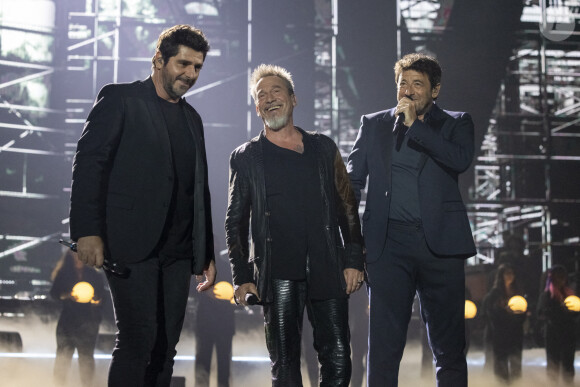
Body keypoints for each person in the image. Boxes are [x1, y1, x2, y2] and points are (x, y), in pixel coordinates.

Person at [69, 24, 217, 387]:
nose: (190, 74)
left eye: (197, 67)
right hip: (131, 245)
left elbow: (198, 191)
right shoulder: (120, 99)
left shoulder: (192, 118)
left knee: (166, 347)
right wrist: (87, 231)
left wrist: (206, 253)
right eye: (183, 64)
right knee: (139, 339)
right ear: (159, 59)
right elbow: (89, 165)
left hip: (179, 252)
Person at [225, 64, 365, 386]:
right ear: (257, 107)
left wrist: (354, 260)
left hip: (327, 265)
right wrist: (242, 277)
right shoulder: (247, 157)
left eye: (277, 91)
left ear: (293, 99)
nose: (270, 99)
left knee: (339, 357)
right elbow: (235, 221)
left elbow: (347, 206)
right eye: (262, 96)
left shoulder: (323, 147)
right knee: (285, 364)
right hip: (277, 272)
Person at [347, 53, 476, 387]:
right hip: (388, 248)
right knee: (384, 349)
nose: (407, 90)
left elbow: (459, 160)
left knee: (448, 348)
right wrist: (350, 242)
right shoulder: (373, 124)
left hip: (441, 249)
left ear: (435, 90)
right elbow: (351, 183)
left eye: (417, 84)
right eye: (403, 83)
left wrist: (415, 127)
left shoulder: (456, 123)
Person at [50, 249, 105, 387]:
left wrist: (95, 300)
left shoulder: (94, 275)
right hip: (68, 322)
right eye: (75, 253)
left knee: (86, 359)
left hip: (88, 321)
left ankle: (87, 385)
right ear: (70, 255)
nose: (78, 257)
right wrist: (67, 295)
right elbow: (54, 293)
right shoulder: (63, 274)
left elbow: (102, 297)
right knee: (63, 358)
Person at [482, 263, 526, 384]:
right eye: (507, 273)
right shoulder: (494, 294)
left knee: (516, 365)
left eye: (512, 273)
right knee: (501, 365)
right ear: (501, 276)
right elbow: (490, 314)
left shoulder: (517, 292)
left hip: (515, 333)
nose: (510, 276)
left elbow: (522, 311)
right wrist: (503, 311)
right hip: (500, 334)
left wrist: (520, 314)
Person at [537, 265, 578, 385]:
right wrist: (560, 310)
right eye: (558, 277)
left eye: (563, 277)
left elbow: (575, 312)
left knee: (568, 366)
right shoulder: (547, 295)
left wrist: (573, 312)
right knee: (553, 365)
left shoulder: (569, 294)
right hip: (553, 334)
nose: (561, 280)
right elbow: (542, 313)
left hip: (568, 334)